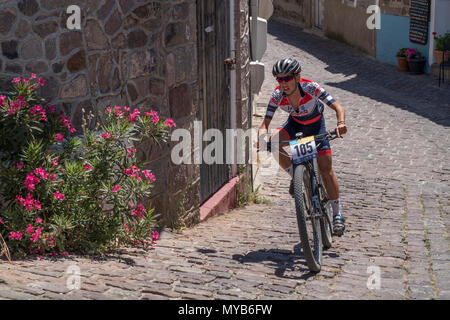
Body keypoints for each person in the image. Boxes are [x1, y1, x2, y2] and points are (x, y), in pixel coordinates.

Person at [257, 58, 347, 236]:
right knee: (275, 141)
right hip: (296, 125)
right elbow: (264, 124)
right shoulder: (277, 96)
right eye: (279, 79)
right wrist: (261, 138)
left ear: (297, 76)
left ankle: (337, 214)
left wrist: (341, 123)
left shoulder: (311, 87)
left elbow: (338, 107)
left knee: (326, 170)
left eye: (287, 78)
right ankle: (297, 177)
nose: (283, 83)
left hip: (316, 127)